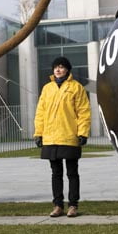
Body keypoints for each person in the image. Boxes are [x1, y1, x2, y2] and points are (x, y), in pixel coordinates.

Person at [33, 56, 91, 218]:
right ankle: (58, 205)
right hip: (50, 137)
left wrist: (83, 132)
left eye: (61, 67)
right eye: (55, 67)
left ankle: (73, 205)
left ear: (67, 69)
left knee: (72, 172)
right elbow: (40, 112)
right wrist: (38, 133)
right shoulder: (47, 88)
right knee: (55, 173)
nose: (58, 70)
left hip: (69, 136)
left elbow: (83, 111)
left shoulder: (76, 87)